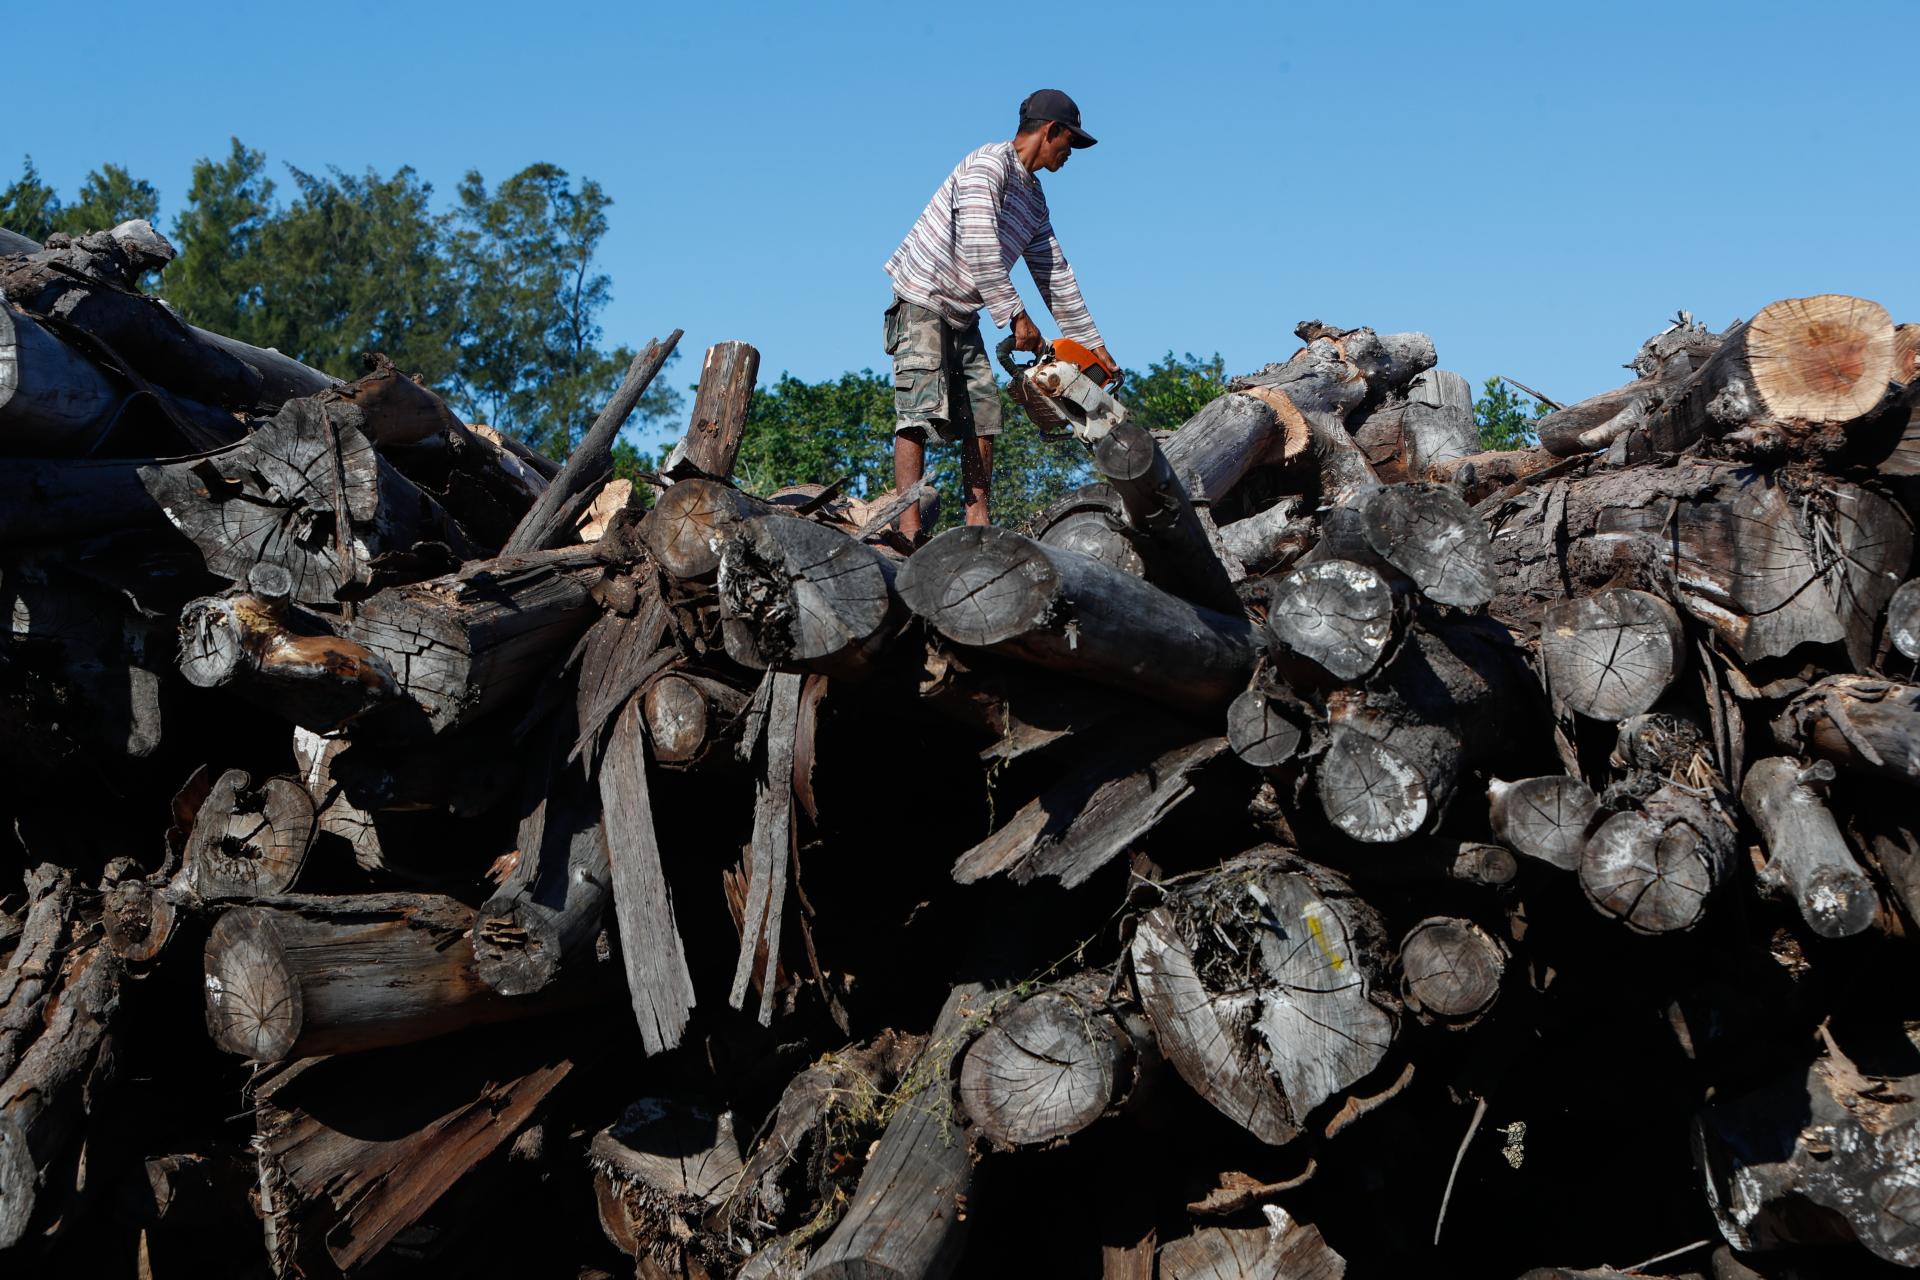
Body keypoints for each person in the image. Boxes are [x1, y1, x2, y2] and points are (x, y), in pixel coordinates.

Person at [882, 89, 1116, 539]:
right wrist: (1016, 316)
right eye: (1070, 142)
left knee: (982, 414)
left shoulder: (1034, 198)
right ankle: (907, 530)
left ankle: (977, 522)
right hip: (923, 297)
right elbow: (980, 247)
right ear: (1051, 131)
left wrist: (1094, 346)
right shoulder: (987, 167)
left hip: (965, 309)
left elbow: (1055, 273)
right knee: (918, 411)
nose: (1070, 154)